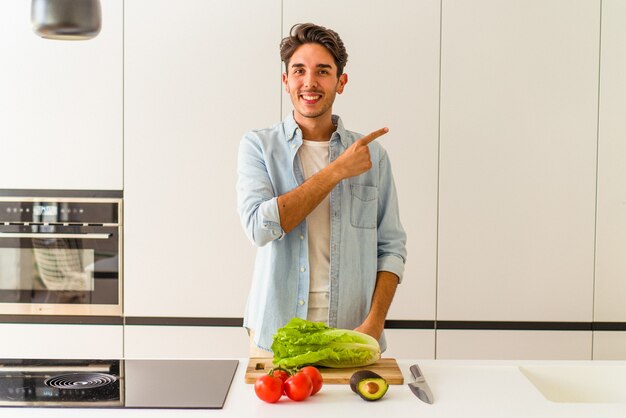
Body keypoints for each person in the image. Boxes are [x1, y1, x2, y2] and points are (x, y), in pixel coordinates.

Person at [237, 23, 407, 356]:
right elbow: (259, 228)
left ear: (341, 82)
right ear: (285, 81)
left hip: (352, 334)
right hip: (275, 335)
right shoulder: (257, 146)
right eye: (299, 71)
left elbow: (392, 248)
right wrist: (335, 172)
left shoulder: (373, 155)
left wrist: (375, 322)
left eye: (323, 71)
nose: (310, 82)